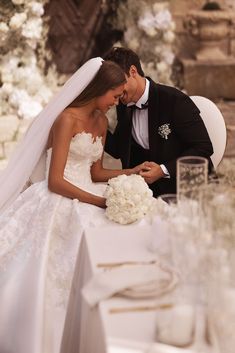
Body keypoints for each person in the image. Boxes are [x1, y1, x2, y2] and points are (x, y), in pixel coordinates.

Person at [0, 58, 145, 353]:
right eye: (115, 96)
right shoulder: (66, 119)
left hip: (88, 188)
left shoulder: (103, 122)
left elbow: (96, 172)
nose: (116, 103)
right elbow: (55, 180)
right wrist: (99, 200)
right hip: (59, 194)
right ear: (100, 89)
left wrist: (130, 172)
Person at [104, 47, 214, 197]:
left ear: (133, 71)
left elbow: (203, 148)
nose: (116, 91)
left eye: (118, 82)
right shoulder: (124, 103)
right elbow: (119, 149)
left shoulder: (174, 100)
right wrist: (96, 122)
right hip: (145, 193)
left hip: (183, 188)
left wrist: (163, 170)